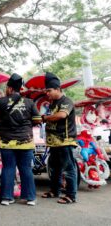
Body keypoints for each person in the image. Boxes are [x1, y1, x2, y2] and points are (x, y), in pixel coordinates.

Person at [0, 73, 41, 206]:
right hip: (26, 141)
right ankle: (30, 198)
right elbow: (37, 120)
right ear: (20, 88)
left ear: (10, 88)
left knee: (8, 168)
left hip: (7, 142)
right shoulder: (29, 102)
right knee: (26, 169)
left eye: (7, 87)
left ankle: (7, 198)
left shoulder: (1, 101)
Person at [41, 72, 78, 204]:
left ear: (58, 89)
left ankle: (71, 195)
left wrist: (44, 118)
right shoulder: (53, 103)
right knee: (54, 169)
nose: (47, 93)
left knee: (69, 169)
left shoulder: (66, 101)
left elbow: (61, 115)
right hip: (54, 142)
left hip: (64, 141)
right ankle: (55, 191)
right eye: (46, 91)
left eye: (49, 90)